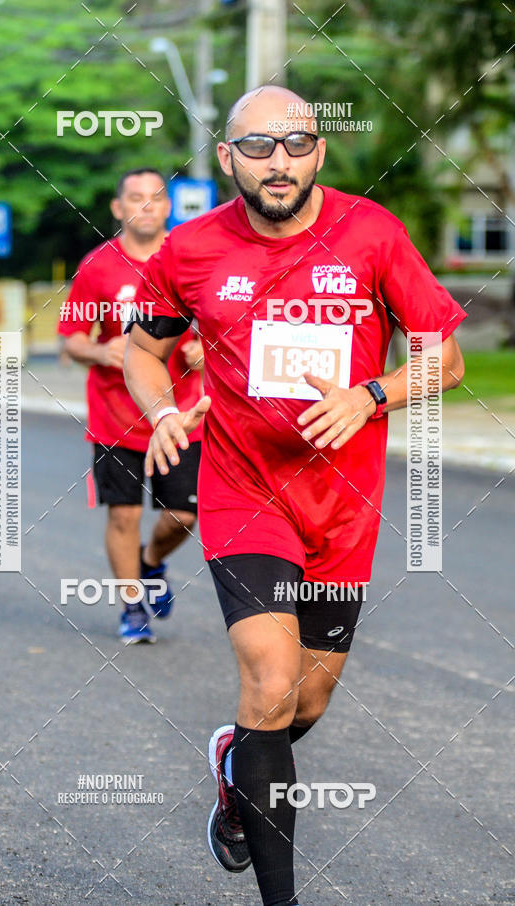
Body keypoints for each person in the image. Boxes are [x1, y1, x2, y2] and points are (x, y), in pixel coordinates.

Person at [123, 87, 466, 905]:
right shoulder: (192, 250)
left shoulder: (373, 234)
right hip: (244, 488)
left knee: (306, 698)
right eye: (258, 146)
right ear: (226, 159)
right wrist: (163, 410)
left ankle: (236, 764)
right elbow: (143, 350)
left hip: (346, 503)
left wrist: (370, 396)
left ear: (318, 151)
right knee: (270, 681)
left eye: (296, 143)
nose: (279, 161)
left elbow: (444, 359)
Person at [59, 168, 203, 644]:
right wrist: (102, 352)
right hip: (115, 417)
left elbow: (226, 324)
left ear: (169, 207)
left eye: (156, 197)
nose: (147, 205)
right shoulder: (97, 267)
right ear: (118, 208)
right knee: (123, 514)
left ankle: (151, 563)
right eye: (135, 198)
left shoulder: (193, 258)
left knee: (184, 515)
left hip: (181, 414)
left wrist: (207, 347)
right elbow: (72, 341)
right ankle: (131, 605)